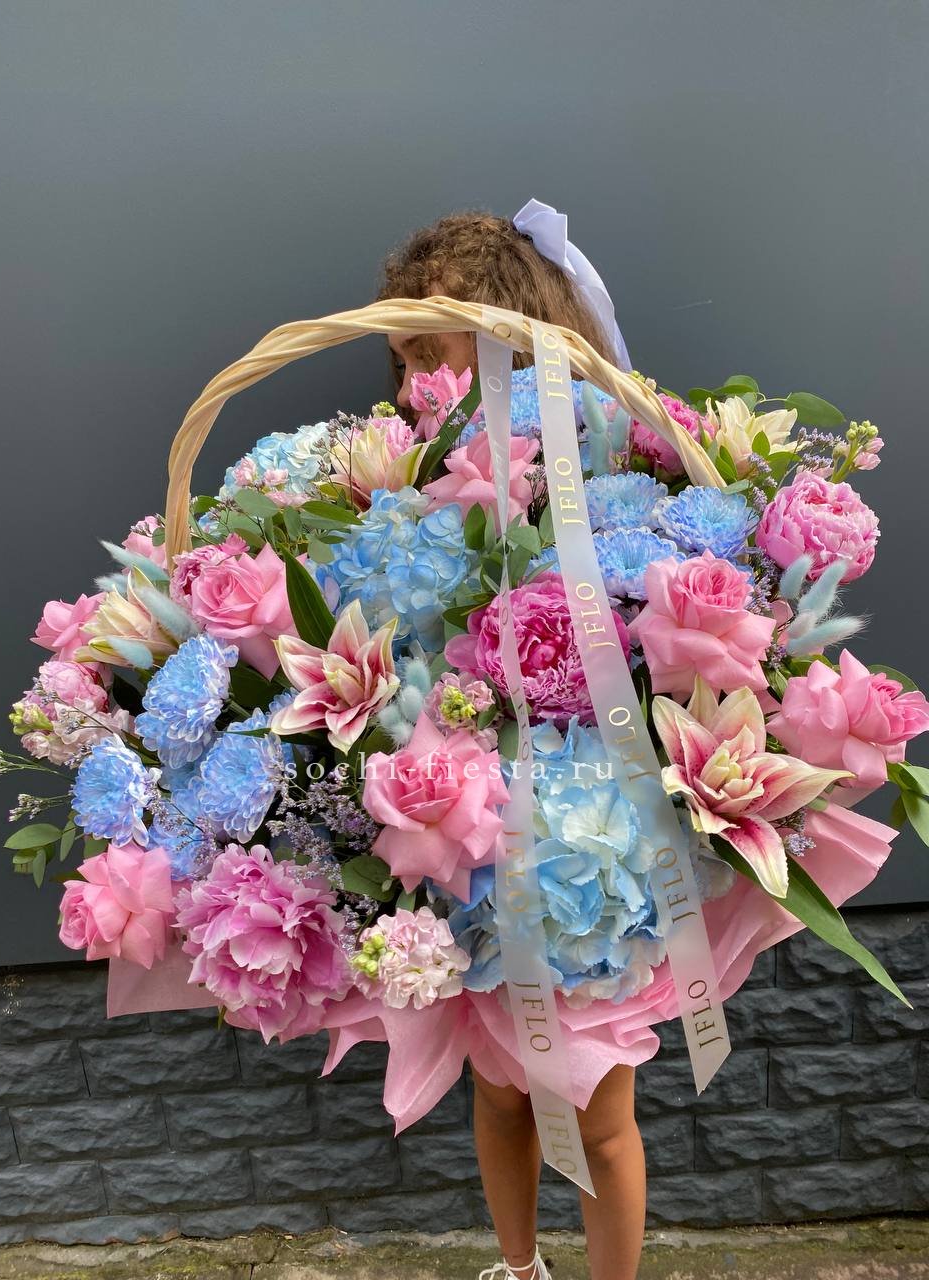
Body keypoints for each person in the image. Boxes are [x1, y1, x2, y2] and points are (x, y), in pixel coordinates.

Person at [376, 207, 646, 1280]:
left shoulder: (583, 448)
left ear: (506, 335)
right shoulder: (416, 466)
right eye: (404, 361)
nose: (417, 381)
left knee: (599, 1110)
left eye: (432, 353)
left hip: (587, 836)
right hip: (474, 821)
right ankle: (520, 1265)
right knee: (498, 1090)